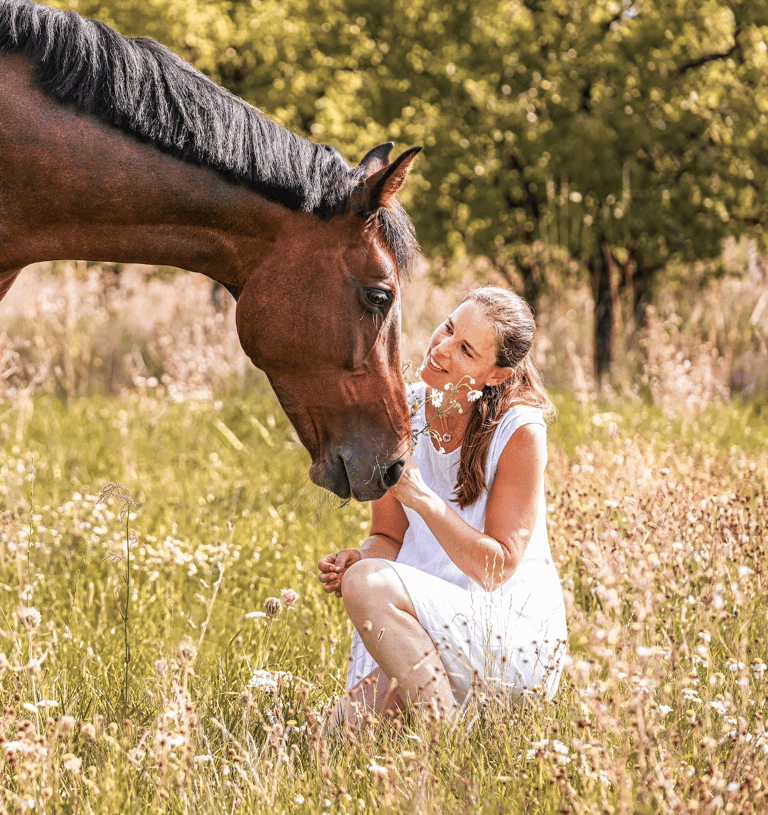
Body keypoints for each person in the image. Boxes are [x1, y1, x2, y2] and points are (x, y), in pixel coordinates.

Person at [317, 285, 567, 730]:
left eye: (466, 350)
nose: (443, 348)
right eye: (449, 328)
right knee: (336, 735)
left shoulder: (519, 430)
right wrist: (362, 557)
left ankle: (444, 745)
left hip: (509, 639)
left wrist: (422, 498)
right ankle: (455, 717)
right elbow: (388, 536)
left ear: (497, 374)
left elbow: (496, 568)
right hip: (423, 628)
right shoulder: (402, 411)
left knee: (368, 585)